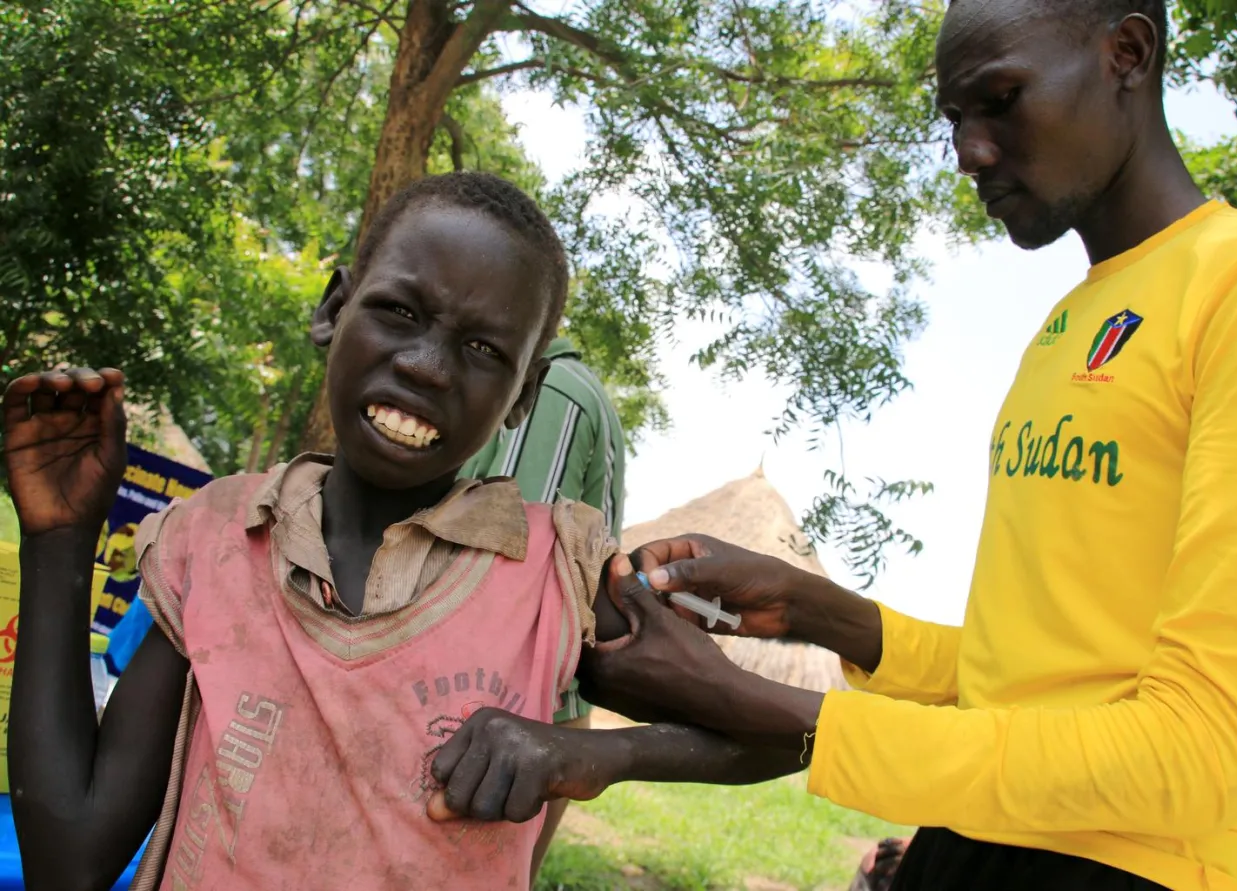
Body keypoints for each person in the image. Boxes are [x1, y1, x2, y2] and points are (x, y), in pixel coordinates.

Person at [577, 2, 1237, 889]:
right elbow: (1023, 679)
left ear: (1126, 53)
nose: (970, 150)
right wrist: (818, 609)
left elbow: (1200, 749)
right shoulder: (1068, 322)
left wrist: (769, 706)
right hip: (972, 841)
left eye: (1001, 99)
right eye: (954, 119)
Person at [1, 172, 798, 891]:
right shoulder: (215, 543)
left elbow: (791, 736)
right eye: (400, 311)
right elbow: (69, 858)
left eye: (485, 349)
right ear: (333, 309)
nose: (427, 366)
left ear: (523, 395)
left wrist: (589, 754)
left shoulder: (556, 579)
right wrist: (60, 540)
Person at [458, 335, 626, 881]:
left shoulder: (550, 391)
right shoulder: (585, 392)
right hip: (546, 712)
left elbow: (508, 574)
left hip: (504, 713)